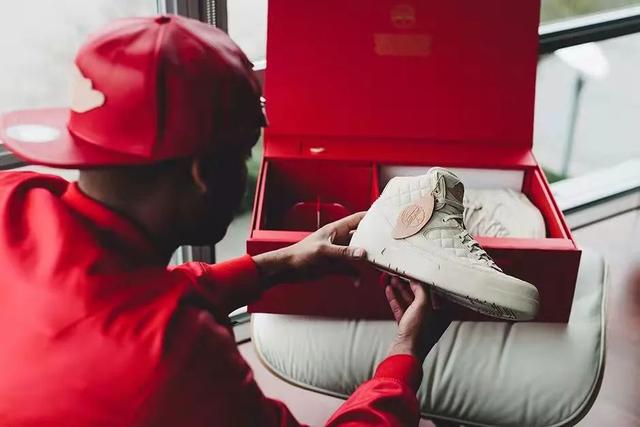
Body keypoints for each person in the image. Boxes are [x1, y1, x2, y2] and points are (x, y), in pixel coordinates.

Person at [0, 15, 449, 426]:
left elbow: (120, 296)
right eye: (243, 154)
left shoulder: (15, 194)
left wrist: (280, 263)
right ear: (202, 173)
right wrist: (405, 353)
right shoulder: (175, 362)